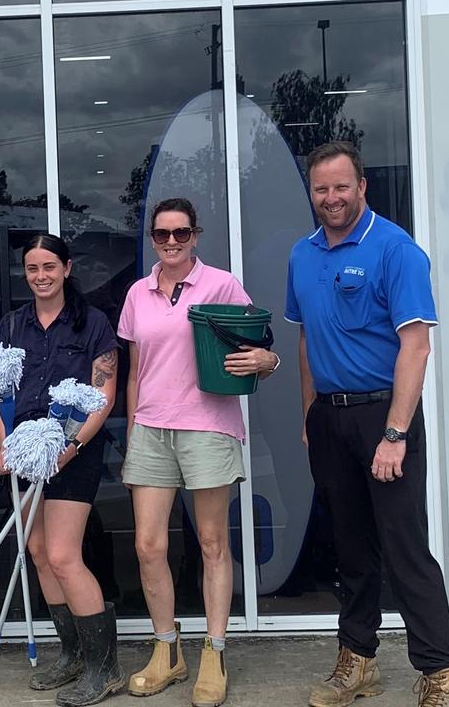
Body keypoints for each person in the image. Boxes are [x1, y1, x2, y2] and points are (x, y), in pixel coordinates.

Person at [288, 142, 449, 707]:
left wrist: (395, 434)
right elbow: (306, 339)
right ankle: (357, 659)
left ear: (362, 187)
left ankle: (441, 672)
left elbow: (416, 346)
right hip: (331, 420)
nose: (331, 198)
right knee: (351, 547)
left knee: (404, 545)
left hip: (384, 417)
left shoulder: (396, 250)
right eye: (321, 189)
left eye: (342, 187)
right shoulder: (302, 255)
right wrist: (308, 414)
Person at [119, 197, 279, 707]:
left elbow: (258, 341)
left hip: (208, 425)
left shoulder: (222, 284)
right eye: (162, 234)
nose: (171, 242)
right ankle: (168, 650)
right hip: (150, 428)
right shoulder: (137, 293)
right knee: (148, 546)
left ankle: (214, 651)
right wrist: (131, 429)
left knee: (211, 543)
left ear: (196, 234)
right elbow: (135, 367)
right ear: (151, 236)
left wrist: (266, 360)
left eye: (181, 233)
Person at [0, 234, 122, 707]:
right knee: (39, 552)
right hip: (24, 454)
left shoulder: (94, 325)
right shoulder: (12, 325)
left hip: (74, 454)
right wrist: (7, 445)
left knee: (65, 555)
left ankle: (103, 668)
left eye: (49, 267)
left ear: (66, 269)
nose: (41, 276)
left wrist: (69, 447)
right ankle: (71, 654)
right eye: (32, 269)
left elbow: (103, 396)